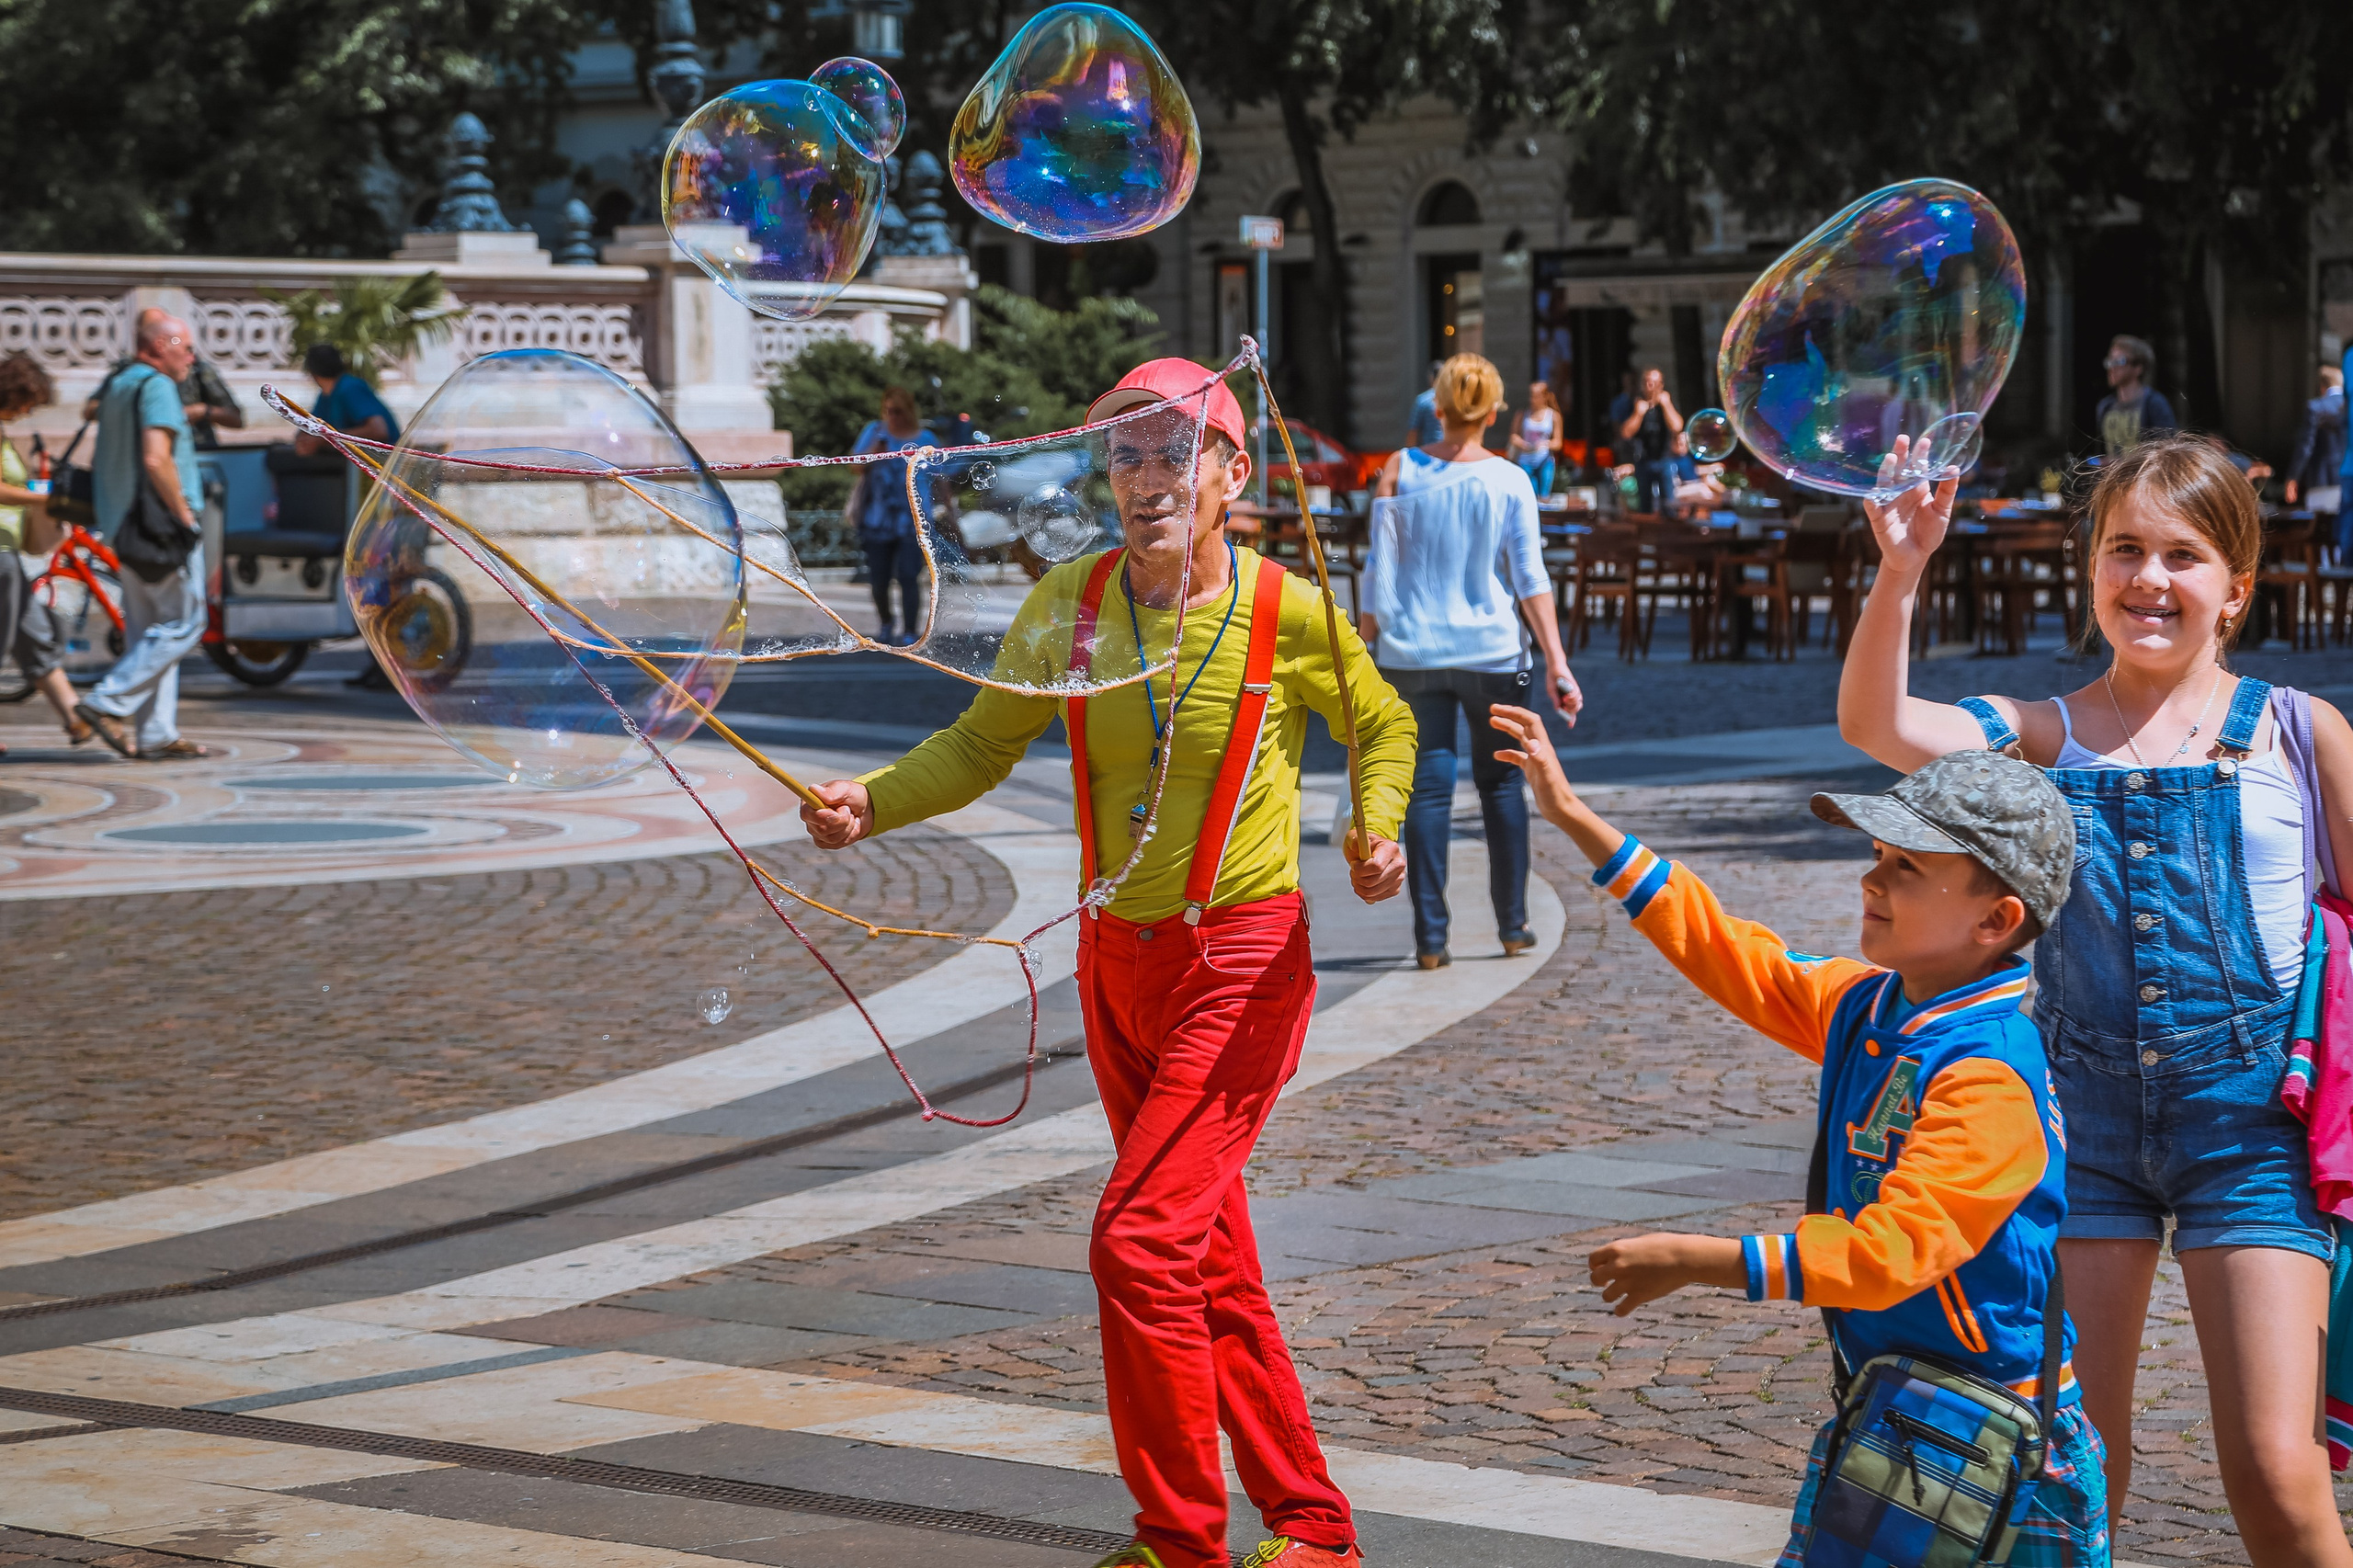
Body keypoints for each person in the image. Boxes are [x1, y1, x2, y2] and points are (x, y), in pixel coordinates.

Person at [797, 358, 1414, 1568]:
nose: (1146, 478)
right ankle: (1315, 1527)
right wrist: (868, 801)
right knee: (1205, 1252)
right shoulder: (1069, 606)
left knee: (1138, 1240)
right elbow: (980, 744)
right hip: (1114, 965)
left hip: (1240, 962)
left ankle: (1178, 1542)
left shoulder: (1285, 608)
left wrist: (1375, 825)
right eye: (1124, 454)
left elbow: (1380, 719)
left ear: (1233, 472)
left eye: (1174, 452)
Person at [1838, 432, 2353, 1565]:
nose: (2148, 579)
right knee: (2070, 1462)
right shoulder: (2039, 732)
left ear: (2235, 588)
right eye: (2123, 549)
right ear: (2089, 570)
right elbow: (1878, 730)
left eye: (2183, 555)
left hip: (2253, 1126)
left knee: (2276, 1469)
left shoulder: (2298, 734)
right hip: (2075, 1128)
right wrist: (1900, 568)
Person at [1494, 716, 2104, 1567]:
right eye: (1877, 856)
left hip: (1993, 1435)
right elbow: (1731, 952)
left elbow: (1892, 1253)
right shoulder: (1868, 1002)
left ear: (1995, 920)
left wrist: (1702, 1259)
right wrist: (1574, 818)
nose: (1871, 879)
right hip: (1896, 1404)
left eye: (1906, 868)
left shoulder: (1989, 1076)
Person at [1363, 352, 1580, 969]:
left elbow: (1381, 566)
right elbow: (1530, 578)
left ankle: (1432, 939)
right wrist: (1559, 662)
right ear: (1491, 412)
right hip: (1493, 653)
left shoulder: (1399, 469)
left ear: (1438, 408)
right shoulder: (1510, 479)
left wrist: (1367, 636)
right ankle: (1513, 926)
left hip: (1411, 653)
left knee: (1426, 795)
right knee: (1502, 784)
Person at [77, 312, 209, 762]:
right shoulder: (157, 386)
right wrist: (185, 517)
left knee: (147, 631)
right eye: (185, 346)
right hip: (158, 525)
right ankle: (106, 701)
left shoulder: (118, 384)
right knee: (187, 623)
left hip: (121, 522)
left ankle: (156, 732)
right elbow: (157, 459)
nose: (192, 356)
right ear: (159, 346)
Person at [0, 353, 92, 753]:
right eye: (27, 403)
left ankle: (76, 718)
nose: (28, 412)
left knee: (31, 632)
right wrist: (42, 497)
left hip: (7, 549)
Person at [83, 322, 244, 450]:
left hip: (197, 451)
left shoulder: (196, 370)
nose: (189, 358)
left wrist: (201, 411)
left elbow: (236, 418)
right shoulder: (132, 375)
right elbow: (156, 460)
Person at [850, 385, 928, 645]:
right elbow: (855, 466)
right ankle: (886, 622)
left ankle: (909, 630)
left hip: (913, 521)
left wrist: (949, 514)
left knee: (908, 575)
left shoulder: (925, 437)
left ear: (909, 411)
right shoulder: (875, 432)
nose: (893, 417)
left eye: (898, 411)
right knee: (879, 579)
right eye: (888, 411)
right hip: (878, 520)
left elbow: (940, 481)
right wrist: (876, 447)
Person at [291, 345, 397, 455]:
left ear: (312, 373)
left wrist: (325, 439)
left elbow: (379, 430)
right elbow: (308, 426)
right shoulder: (326, 396)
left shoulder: (350, 388)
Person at [2284, 364, 2345, 550]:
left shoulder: (2316, 407)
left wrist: (2293, 477)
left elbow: (2306, 447)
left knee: (2321, 537)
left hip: (2322, 480)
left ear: (2322, 387)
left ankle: (2324, 576)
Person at [1610, 366, 1682, 515]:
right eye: (1648, 382)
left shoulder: (1665, 404)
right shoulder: (1635, 404)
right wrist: (1638, 413)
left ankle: (1670, 530)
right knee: (1644, 504)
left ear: (1661, 384)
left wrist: (1667, 405)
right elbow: (1626, 433)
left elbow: (1677, 427)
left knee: (1669, 503)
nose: (1651, 386)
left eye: (1655, 383)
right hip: (1642, 460)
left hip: (1664, 459)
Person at [2094, 335, 2177, 459]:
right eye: (2110, 361)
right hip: (2114, 476)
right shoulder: (2106, 406)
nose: (2112, 368)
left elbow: (2168, 449)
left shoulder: (2154, 403)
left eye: (2119, 361)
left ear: (2138, 368)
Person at [1507, 379, 1563, 497]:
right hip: (1525, 461)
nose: (1532, 399)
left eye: (1536, 396)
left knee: (1544, 496)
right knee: (1530, 495)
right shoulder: (1522, 414)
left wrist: (1544, 444)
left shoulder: (1554, 416)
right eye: (1531, 395)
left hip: (1544, 461)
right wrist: (1524, 445)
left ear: (1544, 397)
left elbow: (1558, 442)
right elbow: (1513, 436)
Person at [1407, 358, 1445, 446]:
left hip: (1429, 450)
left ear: (1431, 377)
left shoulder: (1422, 400)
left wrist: (1410, 454)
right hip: (1450, 453)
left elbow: (1413, 430)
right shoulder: (1453, 399)